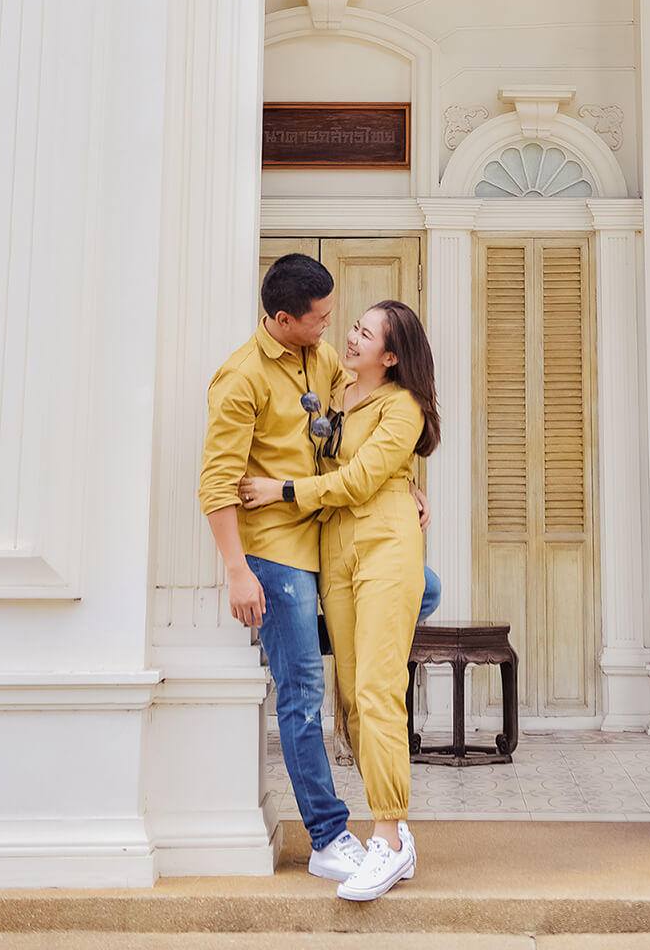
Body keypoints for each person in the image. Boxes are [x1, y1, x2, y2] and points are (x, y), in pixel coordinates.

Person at [198, 256, 440, 883]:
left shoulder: (326, 361)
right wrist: (235, 570)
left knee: (424, 594)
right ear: (285, 320)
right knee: (305, 691)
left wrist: (405, 480)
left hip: (334, 538)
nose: (336, 328)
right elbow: (217, 484)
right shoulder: (239, 379)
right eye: (324, 319)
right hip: (277, 550)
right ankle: (330, 835)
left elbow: (367, 434)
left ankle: (389, 825)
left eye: (344, 320)